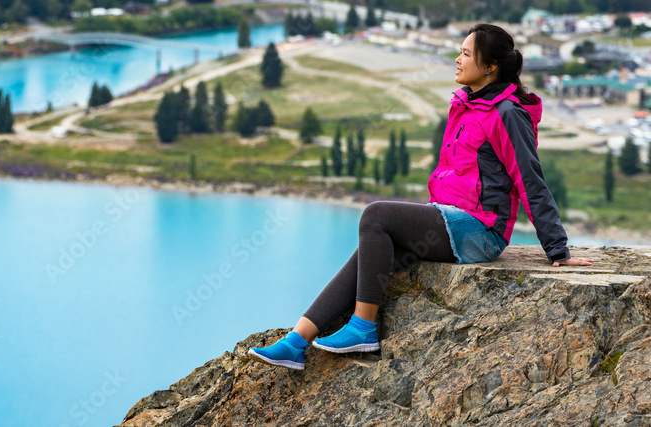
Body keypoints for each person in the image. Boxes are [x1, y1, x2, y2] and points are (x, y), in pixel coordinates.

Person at [247, 23, 594, 370]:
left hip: (480, 231)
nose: (456, 60)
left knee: (376, 215)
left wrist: (557, 250)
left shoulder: (507, 114)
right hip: (449, 218)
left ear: (490, 66)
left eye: (465, 54)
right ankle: (297, 341)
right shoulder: (470, 104)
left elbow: (530, 180)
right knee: (372, 249)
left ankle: (363, 328)